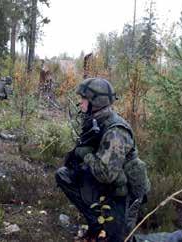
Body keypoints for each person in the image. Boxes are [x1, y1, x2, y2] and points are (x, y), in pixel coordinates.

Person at [55, 77, 151, 242]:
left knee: (123, 240)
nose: (80, 103)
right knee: (64, 175)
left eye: (83, 99)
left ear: (95, 102)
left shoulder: (115, 132)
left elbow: (106, 174)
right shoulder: (96, 121)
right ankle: (96, 225)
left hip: (123, 195)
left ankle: (176, 237)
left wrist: (86, 155)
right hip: (108, 188)